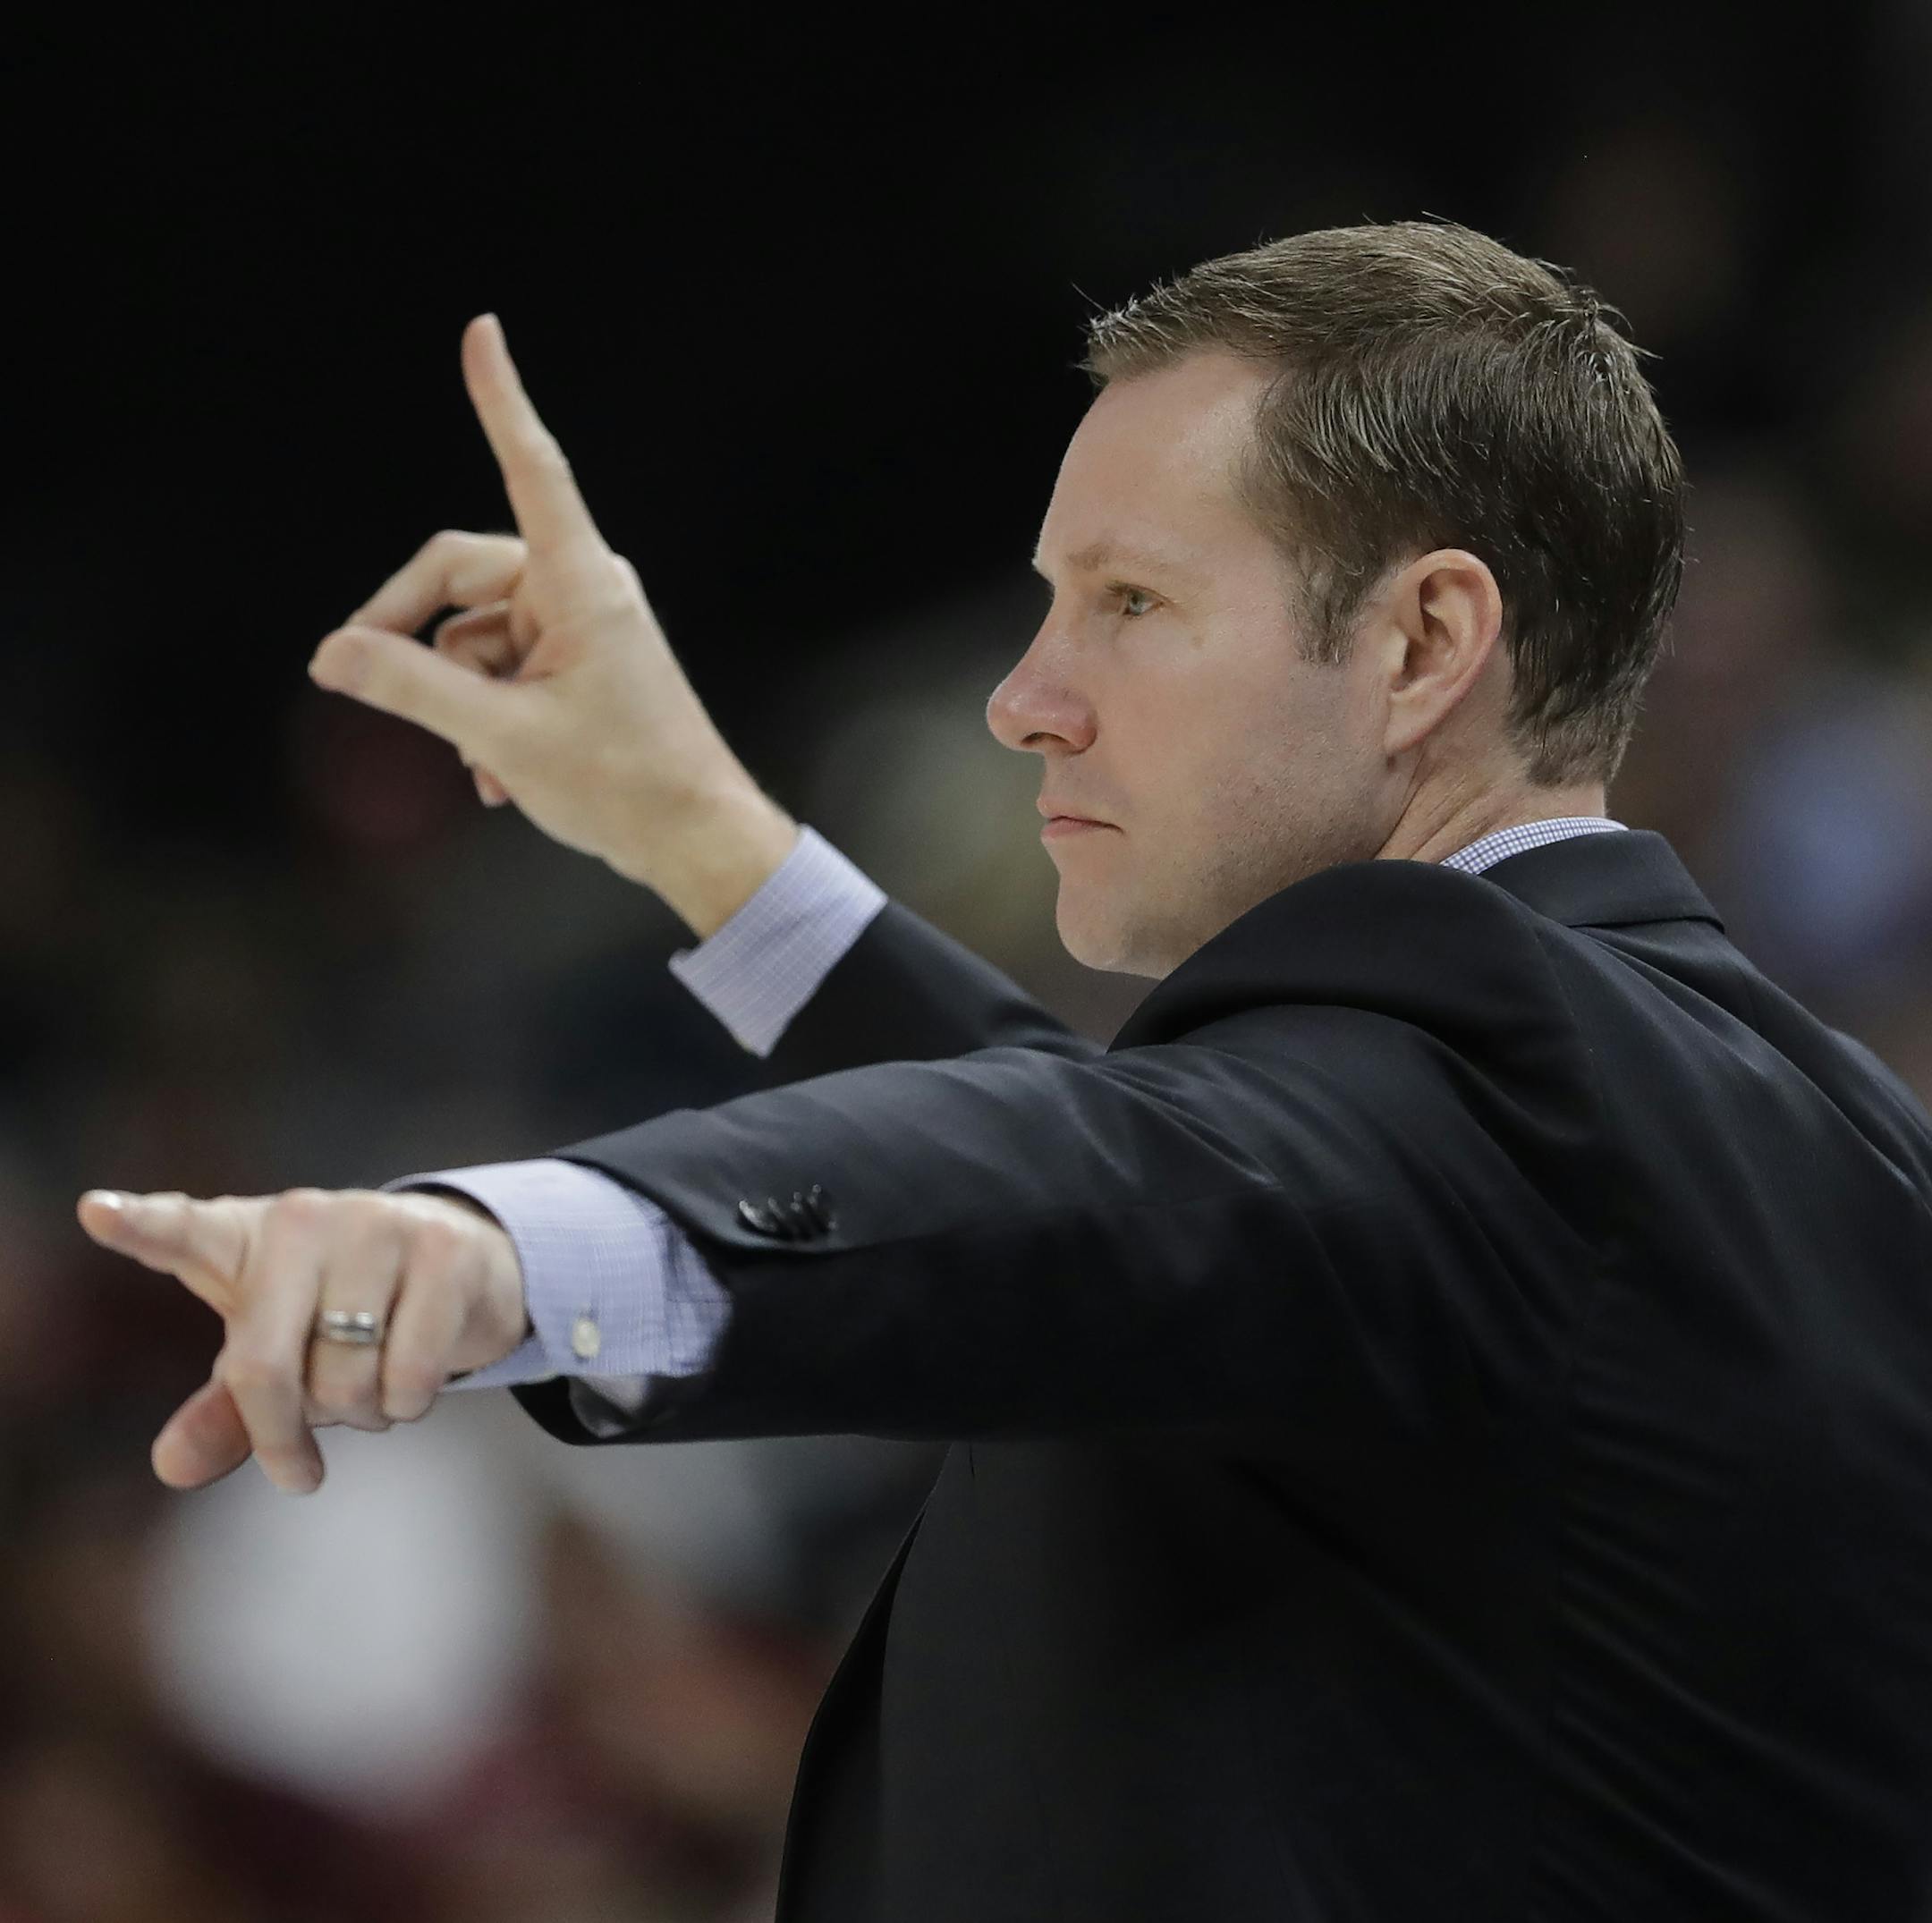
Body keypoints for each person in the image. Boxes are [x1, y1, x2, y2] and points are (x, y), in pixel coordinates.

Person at [77, 221, 1932, 1921]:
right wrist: (701, 836)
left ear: (1424, 644)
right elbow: (1140, 1199)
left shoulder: (1494, 1079)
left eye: (1129, 601)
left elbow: (1114, 1186)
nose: (1023, 695)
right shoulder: (1791, 1129)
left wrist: (510, 1250)